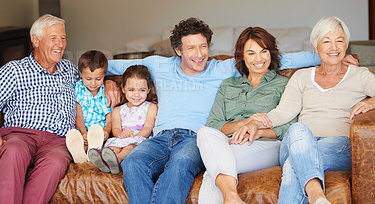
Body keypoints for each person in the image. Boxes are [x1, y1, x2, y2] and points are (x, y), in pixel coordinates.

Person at [103, 17, 357, 204]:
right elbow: (108, 65)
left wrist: (332, 56)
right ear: (178, 50)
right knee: (134, 161)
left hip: (194, 138)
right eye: (190, 48)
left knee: (181, 164)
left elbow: (277, 59)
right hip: (160, 136)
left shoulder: (222, 69)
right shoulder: (157, 65)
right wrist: (107, 80)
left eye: (203, 47)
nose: (199, 54)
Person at [236, 16, 375, 204]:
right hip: (298, 141)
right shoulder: (301, 77)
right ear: (315, 47)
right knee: (298, 129)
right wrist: (254, 122)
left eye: (339, 41)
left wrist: (372, 101)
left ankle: (315, 195)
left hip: (339, 145)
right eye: (326, 41)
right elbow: (282, 112)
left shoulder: (360, 76)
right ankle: (316, 196)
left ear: (346, 45)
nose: (334, 47)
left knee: (294, 165)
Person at [0, 14, 80, 204]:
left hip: (59, 142)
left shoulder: (70, 69)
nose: (60, 44)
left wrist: (111, 86)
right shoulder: (15, 70)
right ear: (36, 40)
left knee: (57, 161)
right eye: (53, 38)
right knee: (13, 150)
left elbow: (94, 82)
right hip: (20, 136)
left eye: (63, 38)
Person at [196, 27, 297, 204]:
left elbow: (291, 127)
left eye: (264, 51)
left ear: (271, 53)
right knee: (204, 132)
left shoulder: (284, 84)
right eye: (251, 53)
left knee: (214, 170)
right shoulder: (228, 85)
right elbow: (214, 124)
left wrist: (258, 130)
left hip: (265, 145)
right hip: (228, 143)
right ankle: (232, 198)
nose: (259, 59)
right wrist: (247, 123)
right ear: (242, 56)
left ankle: (231, 198)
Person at [88, 65, 157, 175]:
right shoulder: (118, 110)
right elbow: (115, 129)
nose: (136, 95)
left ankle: (117, 160)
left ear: (148, 89)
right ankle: (105, 161)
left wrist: (135, 137)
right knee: (113, 147)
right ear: (123, 89)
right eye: (131, 90)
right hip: (122, 138)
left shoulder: (150, 107)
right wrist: (121, 135)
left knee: (129, 147)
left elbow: (148, 127)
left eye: (142, 90)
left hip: (140, 139)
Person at [65, 50, 112, 163]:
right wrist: (83, 132)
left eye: (98, 79)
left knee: (108, 146)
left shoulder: (106, 92)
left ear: (104, 75)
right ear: (81, 74)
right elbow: (79, 116)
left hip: (100, 133)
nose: (93, 83)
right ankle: (82, 153)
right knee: (77, 138)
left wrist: (106, 130)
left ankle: (94, 151)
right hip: (84, 130)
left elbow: (110, 118)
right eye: (88, 79)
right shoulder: (78, 89)